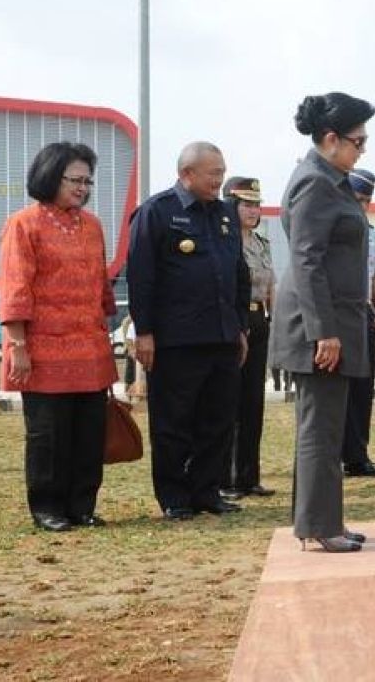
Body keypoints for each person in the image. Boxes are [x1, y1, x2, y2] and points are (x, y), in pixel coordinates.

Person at [269, 91, 375, 553]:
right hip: (319, 326)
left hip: (335, 319)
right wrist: (323, 332)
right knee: (320, 428)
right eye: (358, 141)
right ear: (330, 139)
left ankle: (323, 517)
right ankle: (319, 525)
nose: (362, 149)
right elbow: (307, 261)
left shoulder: (329, 178)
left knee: (328, 427)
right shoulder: (314, 182)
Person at [0, 141, 118, 531]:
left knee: (88, 434)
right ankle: (47, 507)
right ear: (51, 176)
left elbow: (102, 287)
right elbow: (16, 288)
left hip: (90, 348)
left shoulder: (94, 225)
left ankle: (82, 505)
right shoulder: (24, 224)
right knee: (49, 436)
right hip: (42, 349)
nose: (82, 188)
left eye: (88, 181)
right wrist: (18, 346)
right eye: (75, 180)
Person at [127, 142, 250, 521]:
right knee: (174, 421)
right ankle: (174, 496)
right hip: (176, 340)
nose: (220, 180)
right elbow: (141, 276)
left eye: (222, 171)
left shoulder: (226, 214)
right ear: (187, 174)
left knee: (218, 421)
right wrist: (144, 331)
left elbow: (238, 274)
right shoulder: (157, 212)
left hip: (222, 336)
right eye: (213, 173)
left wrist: (240, 327)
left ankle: (206, 491)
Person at [219, 176, 277, 499]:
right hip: (234, 321)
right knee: (230, 402)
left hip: (259, 320)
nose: (253, 210)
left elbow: (272, 287)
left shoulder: (262, 243)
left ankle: (248, 476)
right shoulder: (225, 242)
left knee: (254, 403)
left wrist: (273, 321)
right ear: (231, 204)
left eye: (256, 204)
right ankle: (225, 478)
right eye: (246, 203)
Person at [341, 167, 375, 478]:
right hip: (339, 314)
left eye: (366, 201)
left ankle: (357, 455)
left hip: (363, 314)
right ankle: (335, 453)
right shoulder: (336, 228)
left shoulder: (371, 232)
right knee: (340, 389)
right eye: (357, 198)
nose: (361, 207)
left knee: (363, 387)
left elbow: (374, 277)